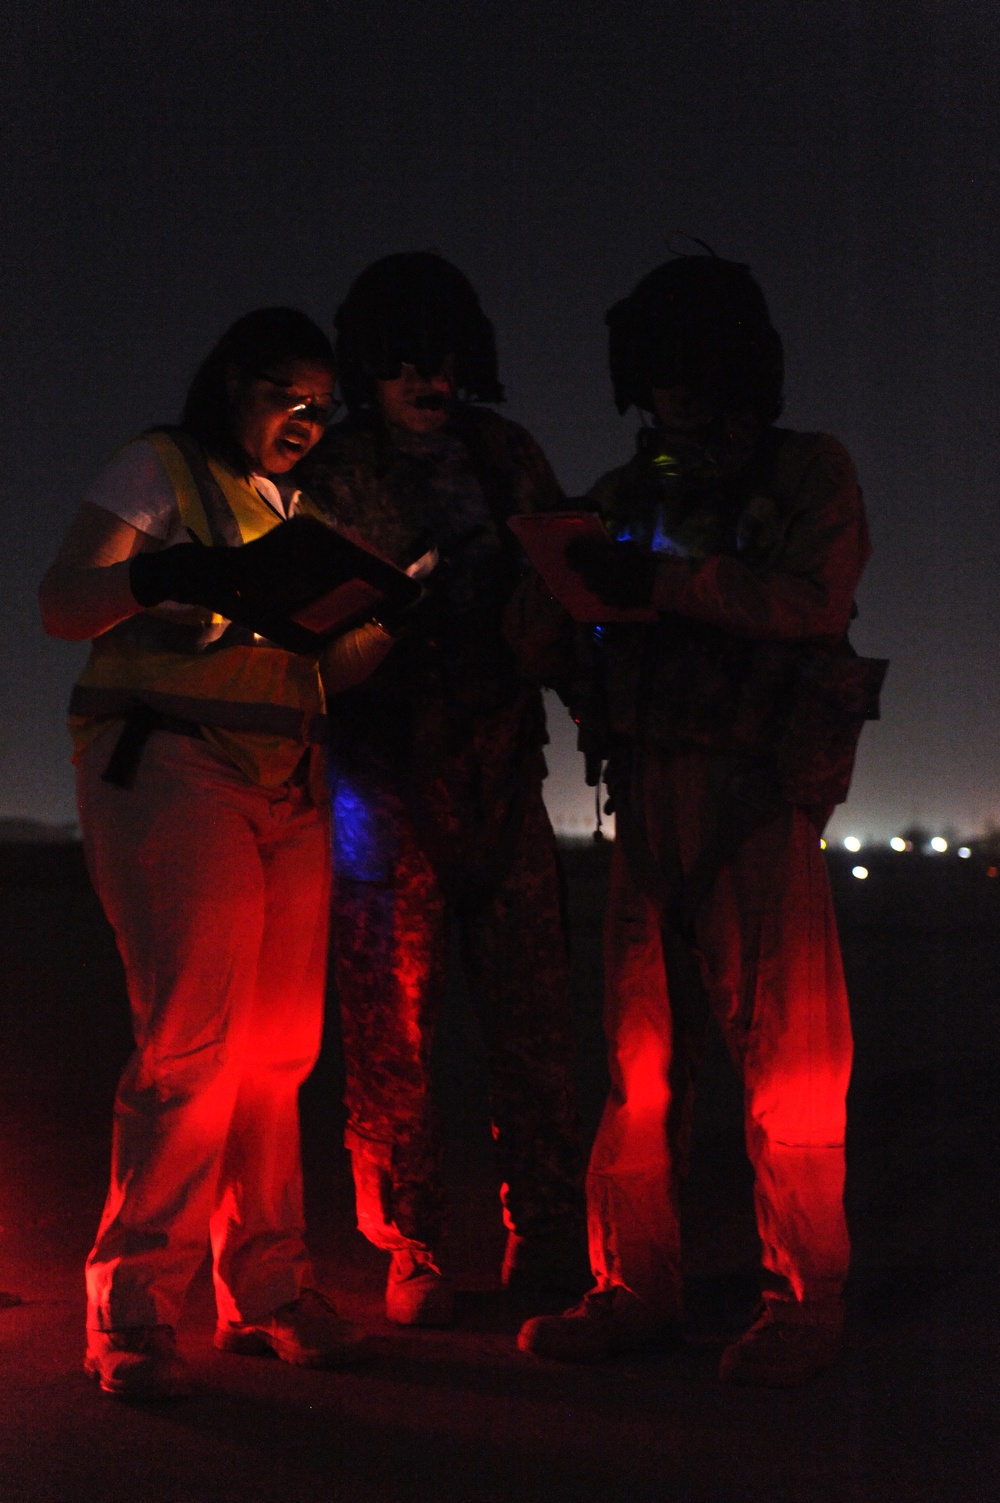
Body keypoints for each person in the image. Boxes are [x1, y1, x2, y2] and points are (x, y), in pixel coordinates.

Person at [516, 255, 884, 1384]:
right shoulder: (627, 495)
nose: (670, 399)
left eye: (687, 373)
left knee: (792, 1062)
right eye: (656, 379)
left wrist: (664, 587)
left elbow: (813, 601)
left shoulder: (807, 471)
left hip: (757, 794)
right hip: (649, 788)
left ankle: (804, 1302)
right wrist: (560, 596)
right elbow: (553, 628)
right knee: (636, 1067)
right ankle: (635, 1287)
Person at [39, 308, 363, 1399]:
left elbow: (300, 666)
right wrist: (169, 580)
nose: (308, 423)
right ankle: (133, 1311)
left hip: (289, 789)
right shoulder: (160, 466)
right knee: (190, 1045)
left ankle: (267, 1288)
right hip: (173, 768)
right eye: (289, 398)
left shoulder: (299, 511)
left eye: (324, 407)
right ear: (233, 384)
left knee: (278, 1055)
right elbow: (62, 601)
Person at [300, 252, 587, 1326]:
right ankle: (411, 1241)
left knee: (534, 1020)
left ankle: (549, 1228)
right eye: (405, 362)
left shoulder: (505, 453)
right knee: (391, 1035)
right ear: (369, 366)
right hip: (383, 782)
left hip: (504, 772)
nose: (429, 379)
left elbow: (565, 588)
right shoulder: (333, 472)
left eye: (444, 361)